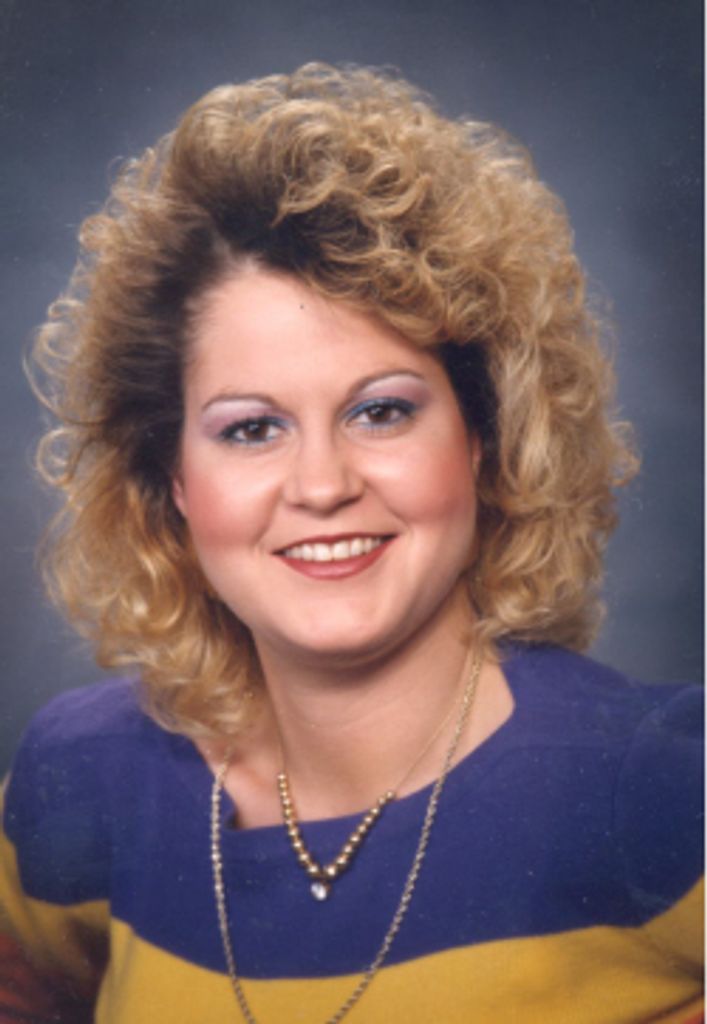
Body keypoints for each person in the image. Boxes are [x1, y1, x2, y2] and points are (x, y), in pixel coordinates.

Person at [0, 63, 702, 1024]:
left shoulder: (648, 787)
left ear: (482, 438)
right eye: (251, 428)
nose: (323, 485)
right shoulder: (83, 779)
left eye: (380, 412)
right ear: (174, 482)